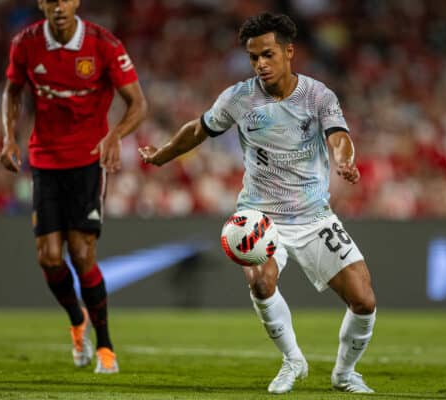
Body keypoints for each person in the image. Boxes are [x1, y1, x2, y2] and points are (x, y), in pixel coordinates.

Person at [139, 12, 376, 394]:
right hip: (259, 215)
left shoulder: (318, 95)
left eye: (267, 55)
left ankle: (344, 373)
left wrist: (344, 159)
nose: (260, 65)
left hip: (314, 216)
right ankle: (292, 360)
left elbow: (338, 136)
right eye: (253, 58)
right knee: (261, 283)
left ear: (288, 52)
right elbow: (200, 128)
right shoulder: (239, 97)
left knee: (364, 301)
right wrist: (164, 154)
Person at [0, 0, 147, 373]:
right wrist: (8, 137)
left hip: (87, 160)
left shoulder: (103, 44)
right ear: (41, 4)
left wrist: (115, 134)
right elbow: (12, 91)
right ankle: (76, 321)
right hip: (46, 160)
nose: (58, 6)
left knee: (82, 254)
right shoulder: (26, 43)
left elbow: (138, 104)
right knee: (49, 257)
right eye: (51, 0)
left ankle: (106, 347)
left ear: (76, 1)